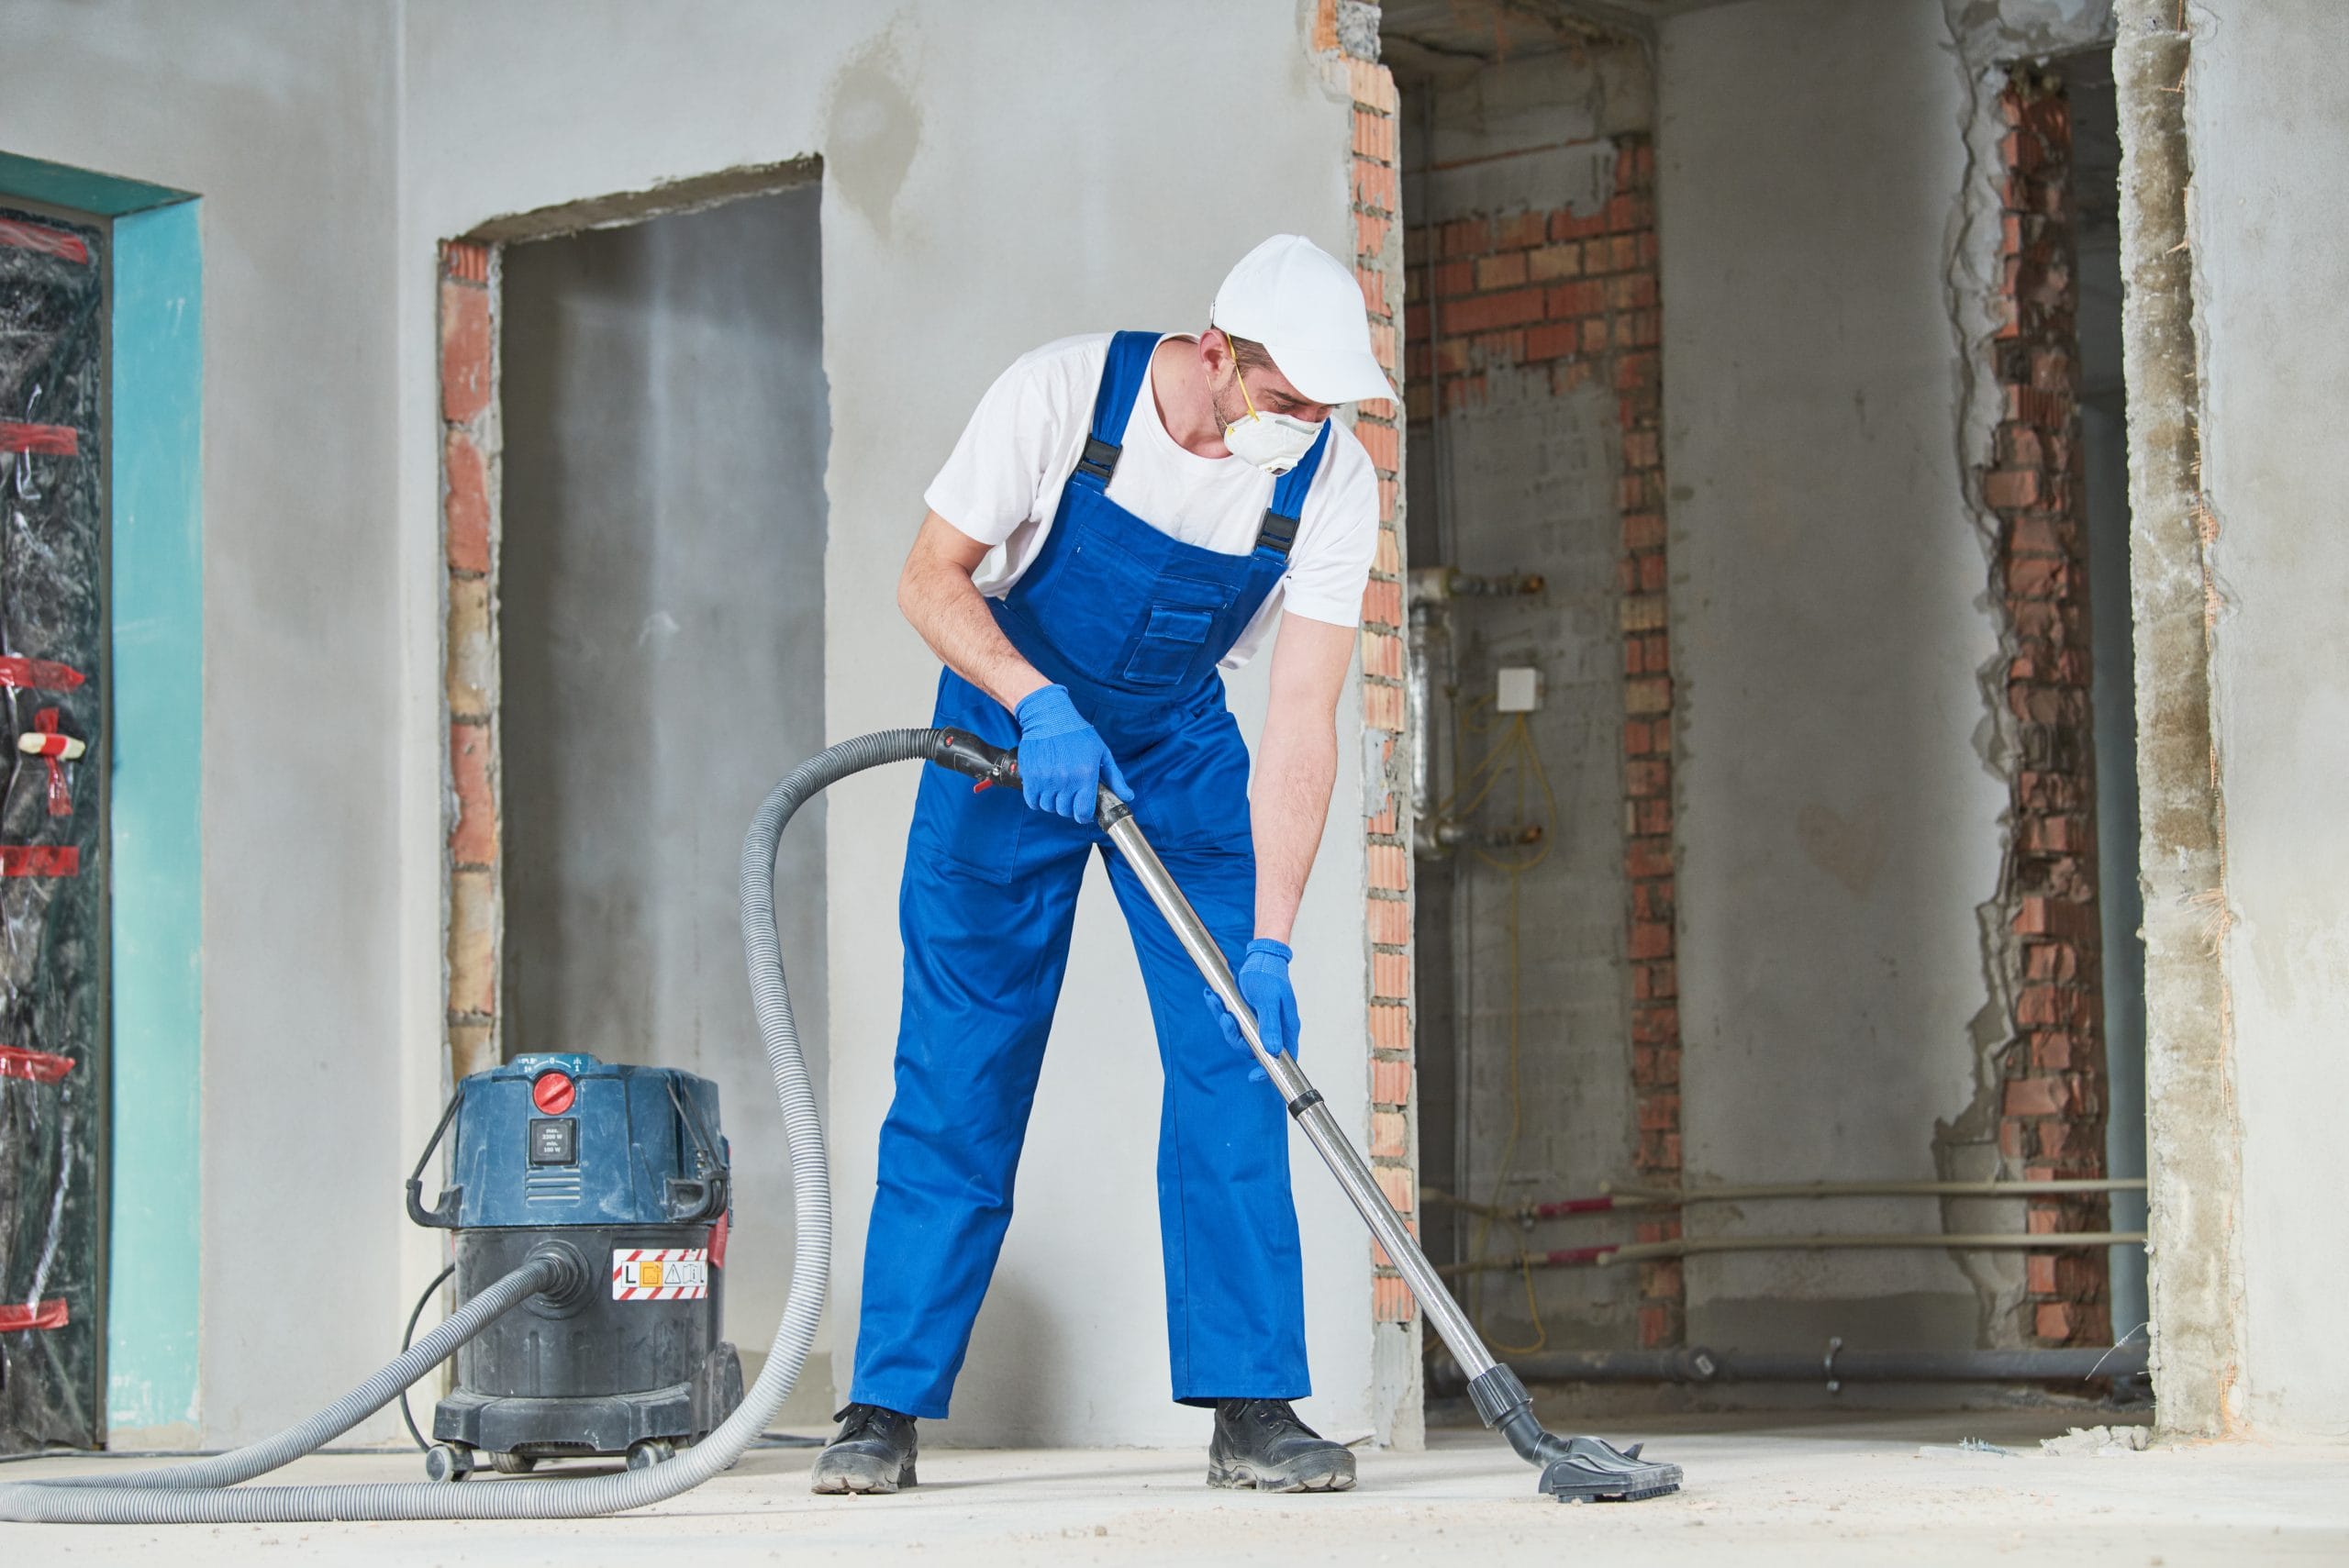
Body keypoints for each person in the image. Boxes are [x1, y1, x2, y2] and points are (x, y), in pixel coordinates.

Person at [811, 236, 1387, 1496]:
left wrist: (1275, 935)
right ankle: (883, 1405)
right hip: (1007, 735)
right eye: (1286, 403)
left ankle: (1253, 1404)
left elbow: (1302, 718)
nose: (1305, 431)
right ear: (1218, 355)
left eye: (1325, 410)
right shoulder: (1063, 398)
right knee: (962, 1061)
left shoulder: (1332, 481)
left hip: (1177, 744)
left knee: (1240, 1043)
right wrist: (1032, 696)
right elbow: (929, 576)